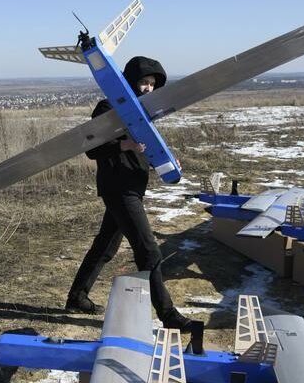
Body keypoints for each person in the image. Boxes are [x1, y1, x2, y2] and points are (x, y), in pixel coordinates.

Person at [65, 56, 202, 337]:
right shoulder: (108, 107)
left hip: (133, 188)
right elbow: (91, 148)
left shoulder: (145, 112)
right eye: (144, 81)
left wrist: (165, 161)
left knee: (105, 247)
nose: (149, 88)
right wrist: (123, 144)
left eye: (153, 84)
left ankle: (77, 296)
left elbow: (147, 149)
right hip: (119, 188)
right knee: (149, 251)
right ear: (130, 81)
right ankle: (167, 314)